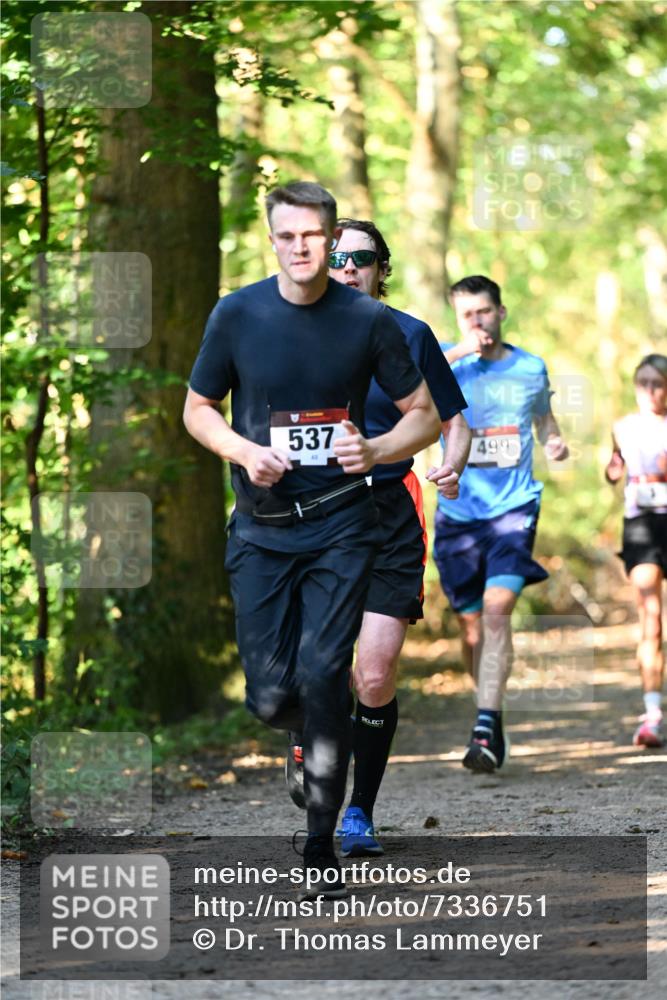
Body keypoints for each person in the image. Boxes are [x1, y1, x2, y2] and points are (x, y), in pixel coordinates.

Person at [183, 182, 440, 898]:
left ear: (332, 240)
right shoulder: (236, 315)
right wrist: (240, 450)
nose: (301, 248)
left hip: (341, 524)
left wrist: (379, 448)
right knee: (270, 696)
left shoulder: (367, 320)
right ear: (272, 238)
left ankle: (321, 846)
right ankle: (299, 738)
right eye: (287, 236)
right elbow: (198, 407)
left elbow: (423, 415)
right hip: (261, 531)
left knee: (328, 672)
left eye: (313, 237)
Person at [293, 218, 468, 858]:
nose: (347, 267)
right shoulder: (289, 331)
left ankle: (359, 810)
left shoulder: (410, 334)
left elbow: (453, 423)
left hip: (389, 514)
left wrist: (452, 462)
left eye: (360, 258)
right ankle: (304, 747)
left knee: (372, 674)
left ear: (380, 268)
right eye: (335, 257)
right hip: (312, 515)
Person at [434, 274, 569, 773]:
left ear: (501, 312)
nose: (477, 323)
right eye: (467, 315)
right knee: (472, 631)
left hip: (514, 509)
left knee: (497, 614)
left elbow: (545, 420)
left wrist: (554, 442)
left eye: (484, 312)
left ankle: (485, 724)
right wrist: (455, 353)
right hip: (458, 515)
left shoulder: (530, 368)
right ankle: (489, 710)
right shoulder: (445, 365)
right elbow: (406, 390)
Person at [605, 353, 667, 748]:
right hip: (642, 526)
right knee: (651, 616)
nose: (649, 391)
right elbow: (614, 468)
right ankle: (653, 714)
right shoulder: (623, 426)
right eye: (642, 382)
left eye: (656, 383)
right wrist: (612, 469)